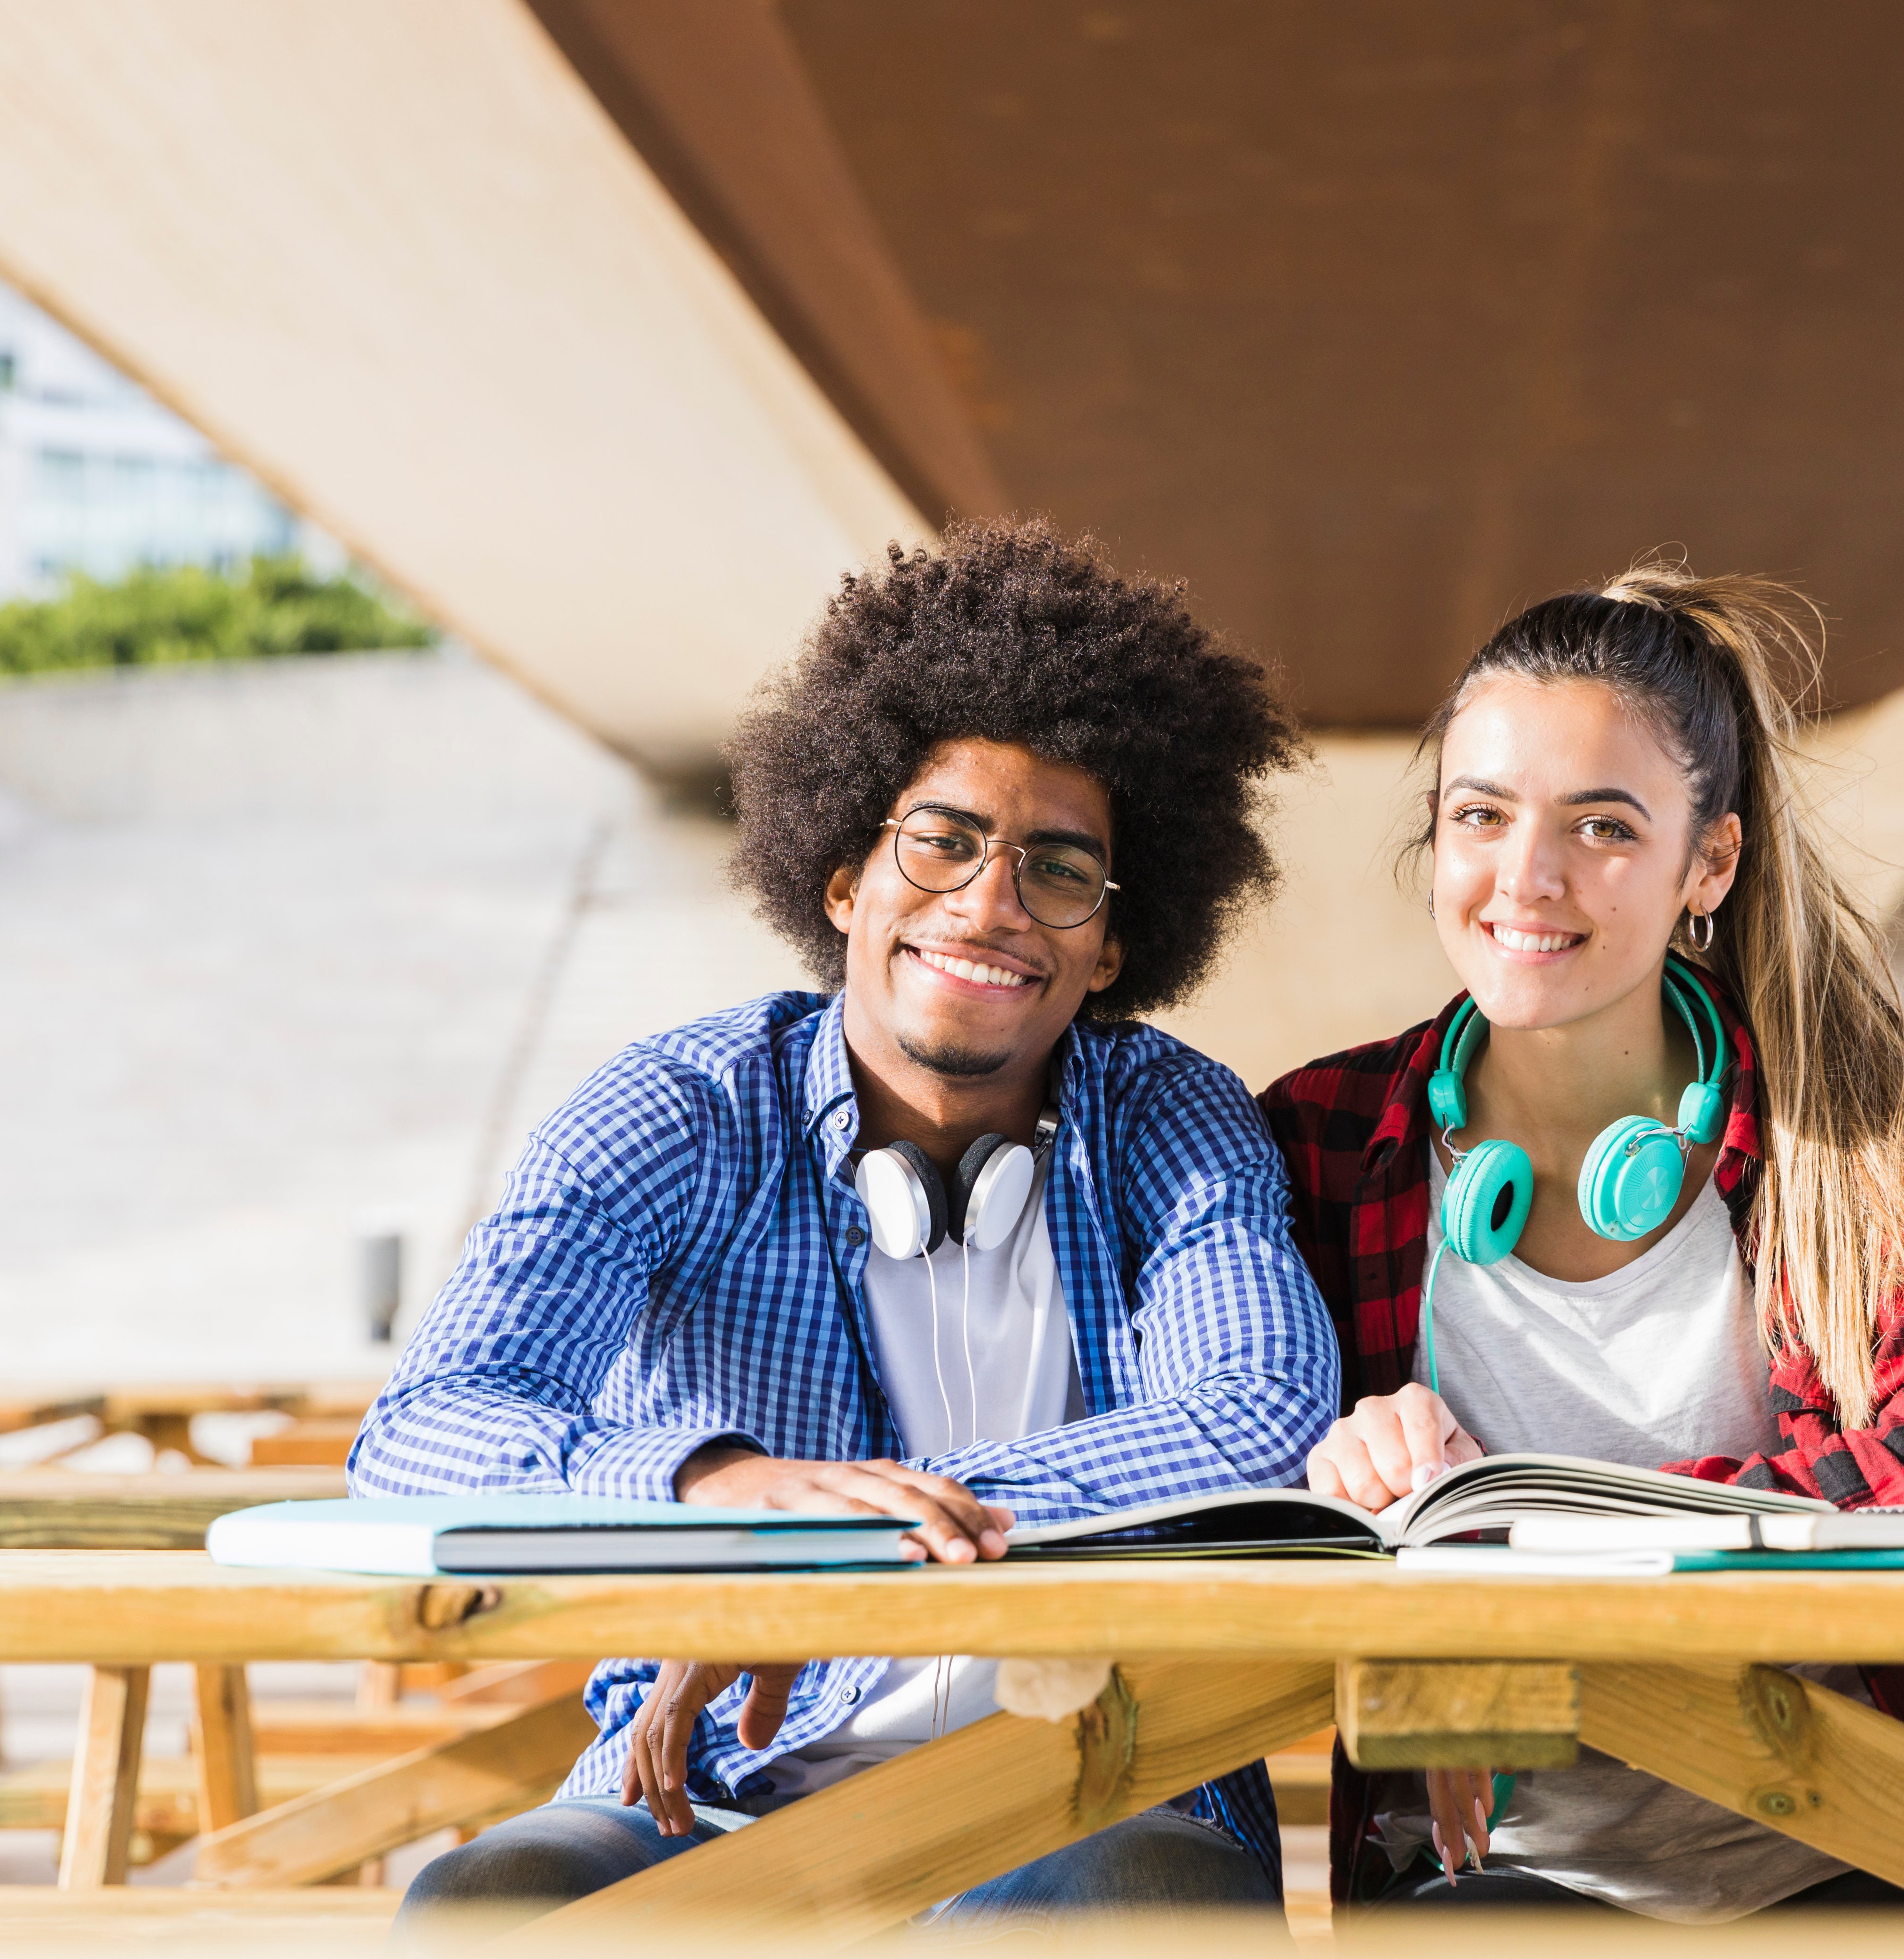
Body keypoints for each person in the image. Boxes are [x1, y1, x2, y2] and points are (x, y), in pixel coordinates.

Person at [361, 520, 1335, 1927]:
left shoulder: (1171, 1119)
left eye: (1059, 868)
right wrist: (723, 1492)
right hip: (705, 1791)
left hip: (1096, 1792)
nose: (991, 903)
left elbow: (1259, 1416)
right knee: (486, 1903)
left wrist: (860, 1553)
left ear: (1114, 944)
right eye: (940, 841)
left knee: (1163, 1905)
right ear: (842, 877)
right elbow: (422, 1428)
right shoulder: (679, 1108)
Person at [1259, 564, 1904, 1920]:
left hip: (1866, 1860)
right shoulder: (1322, 1141)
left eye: (1605, 827)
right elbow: (1219, 1461)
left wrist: (1527, 1546)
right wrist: (1343, 1480)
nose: (1529, 876)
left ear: (1713, 863)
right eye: (1483, 815)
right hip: (1495, 1883)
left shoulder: (1868, 1127)